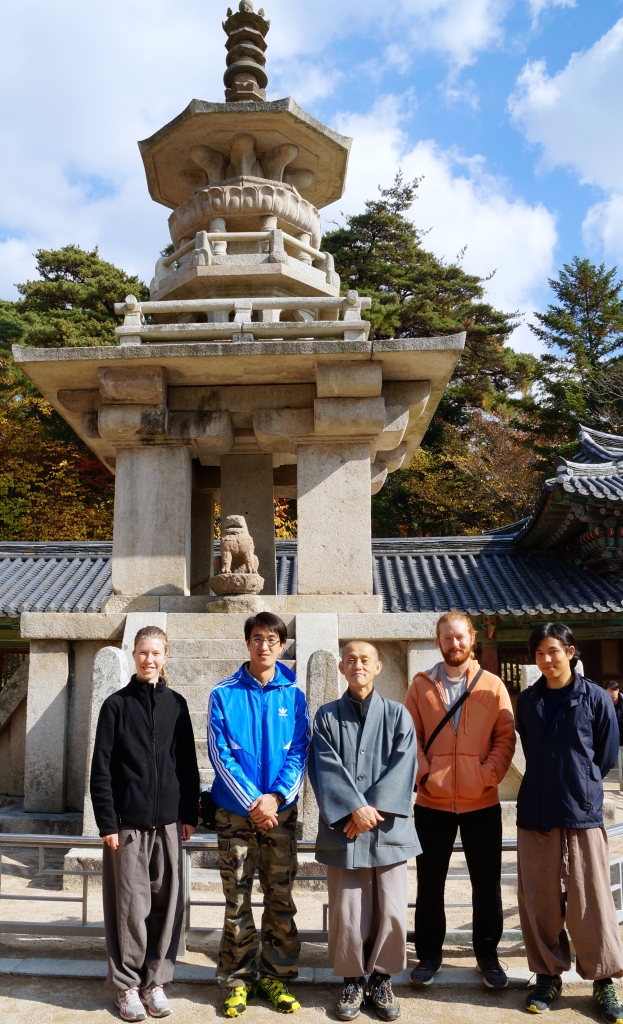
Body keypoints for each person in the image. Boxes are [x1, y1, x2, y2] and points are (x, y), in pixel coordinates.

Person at [90, 625, 199, 1022]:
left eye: (156, 653)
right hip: (129, 825)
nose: (149, 660)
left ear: (166, 656)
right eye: (142, 653)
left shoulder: (178, 704)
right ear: (133, 656)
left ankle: (156, 982)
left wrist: (189, 814)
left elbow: (186, 763)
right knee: (129, 908)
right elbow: (101, 769)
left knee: (166, 906)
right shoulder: (115, 706)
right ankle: (127, 986)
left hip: (170, 823)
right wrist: (108, 823)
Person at [516, 623, 623, 1022]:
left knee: (590, 899)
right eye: (540, 653)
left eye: (554, 651)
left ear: (571, 652)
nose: (546, 659)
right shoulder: (527, 701)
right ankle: (548, 975)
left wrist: (582, 785)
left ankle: (603, 979)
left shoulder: (594, 697)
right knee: (540, 900)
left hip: (581, 811)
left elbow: (606, 755)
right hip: (536, 811)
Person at [309, 641, 420, 1022]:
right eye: (351, 660)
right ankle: (353, 980)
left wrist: (369, 810)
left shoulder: (398, 715)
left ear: (378, 666)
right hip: (345, 829)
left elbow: (405, 766)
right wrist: (352, 810)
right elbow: (323, 766)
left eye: (365, 660)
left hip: (388, 828)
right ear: (341, 667)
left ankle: (383, 979)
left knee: (391, 909)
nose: (358, 665)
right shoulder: (325, 717)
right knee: (348, 910)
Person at [405, 610, 516, 989]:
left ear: (473, 639)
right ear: (438, 642)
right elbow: (411, 739)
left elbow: (505, 737)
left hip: (481, 801)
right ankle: (429, 956)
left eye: (460, 637)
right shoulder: (420, 685)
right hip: (432, 802)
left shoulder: (493, 685)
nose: (454, 644)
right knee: (429, 883)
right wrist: (424, 776)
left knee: (486, 884)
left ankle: (487, 955)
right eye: (447, 638)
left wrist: (488, 776)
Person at [208, 612, 310, 1017]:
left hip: (280, 815)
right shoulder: (223, 693)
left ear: (282, 645)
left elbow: (300, 750)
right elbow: (220, 754)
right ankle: (237, 979)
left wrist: (277, 797)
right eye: (256, 638)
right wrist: (254, 800)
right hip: (235, 814)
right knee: (237, 899)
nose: (263, 645)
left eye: (271, 639)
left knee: (280, 897)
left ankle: (276, 977)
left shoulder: (295, 695)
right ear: (247, 643)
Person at [605, 680, 623, 747]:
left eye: (612, 692)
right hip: (613, 735)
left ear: (618, 691)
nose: (610, 695)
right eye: (608, 693)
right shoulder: (604, 703)